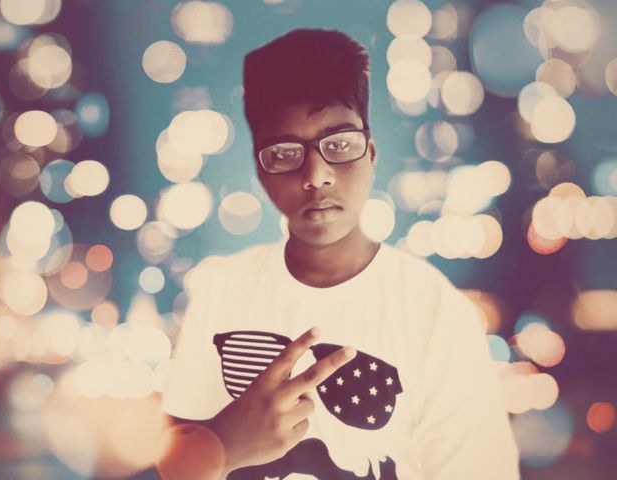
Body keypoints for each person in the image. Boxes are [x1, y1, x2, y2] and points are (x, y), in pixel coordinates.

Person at [156, 28, 520, 480]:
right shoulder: (222, 289)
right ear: (261, 171)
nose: (316, 175)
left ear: (371, 154)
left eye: (340, 145)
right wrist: (223, 446)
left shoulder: (434, 311)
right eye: (285, 152)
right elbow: (170, 461)